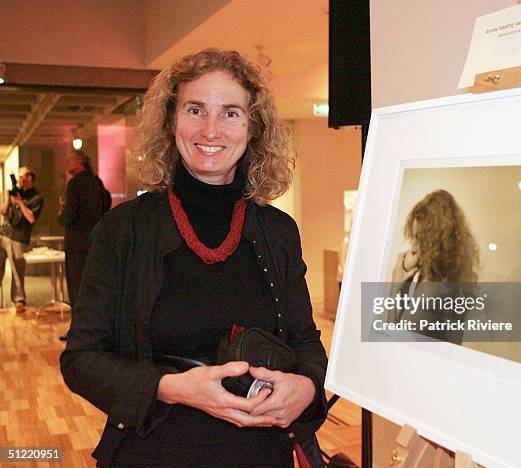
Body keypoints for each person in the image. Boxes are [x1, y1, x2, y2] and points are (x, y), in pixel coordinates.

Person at [60, 48, 328, 467]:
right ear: (171, 122)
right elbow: (80, 360)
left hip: (262, 454)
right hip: (153, 452)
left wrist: (308, 388)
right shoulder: (123, 230)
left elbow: (306, 343)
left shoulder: (278, 231)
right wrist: (174, 387)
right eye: (195, 109)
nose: (211, 129)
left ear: (252, 126)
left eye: (231, 113)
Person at [390, 190, 479, 343]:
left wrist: (393, 288)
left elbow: (393, 344)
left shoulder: (431, 290)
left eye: (419, 239)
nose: (413, 248)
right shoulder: (454, 283)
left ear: (433, 242)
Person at [58, 150, 111, 306]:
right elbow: (105, 206)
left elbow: (70, 215)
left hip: (76, 244)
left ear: (78, 161)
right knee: (93, 284)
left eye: (68, 160)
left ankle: (79, 324)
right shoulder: (96, 181)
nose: (66, 164)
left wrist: (61, 213)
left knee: (77, 286)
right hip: (95, 241)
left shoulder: (74, 183)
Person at [0, 167, 44, 312]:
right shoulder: (14, 192)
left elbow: (31, 218)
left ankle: (19, 301)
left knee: (17, 272)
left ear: (29, 177)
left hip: (18, 238)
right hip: (3, 233)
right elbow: (4, 212)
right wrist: (8, 199)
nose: (18, 179)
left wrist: (19, 202)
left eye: (21, 176)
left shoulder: (36, 198)